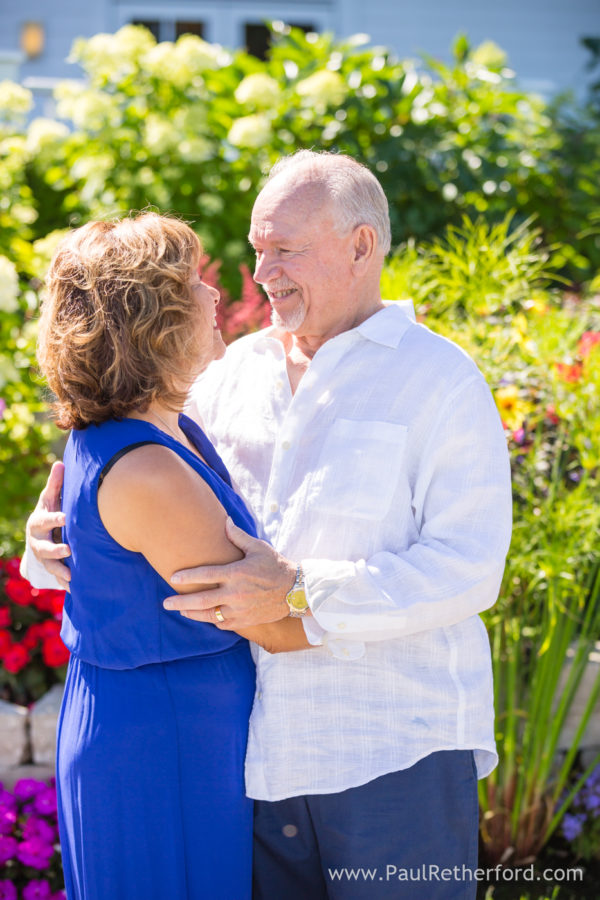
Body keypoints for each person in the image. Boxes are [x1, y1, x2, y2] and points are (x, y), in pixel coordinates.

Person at [25, 152, 512, 899]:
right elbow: (131, 485)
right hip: (255, 765)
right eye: (256, 250)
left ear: (360, 246)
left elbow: (470, 566)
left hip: (392, 753)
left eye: (284, 249)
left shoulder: (441, 379)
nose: (261, 273)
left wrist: (303, 593)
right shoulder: (229, 372)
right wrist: (52, 540)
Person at [34, 213, 310, 900]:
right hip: (161, 746)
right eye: (193, 284)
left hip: (171, 730)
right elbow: (274, 624)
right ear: (149, 320)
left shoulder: (161, 426)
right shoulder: (147, 469)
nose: (216, 295)